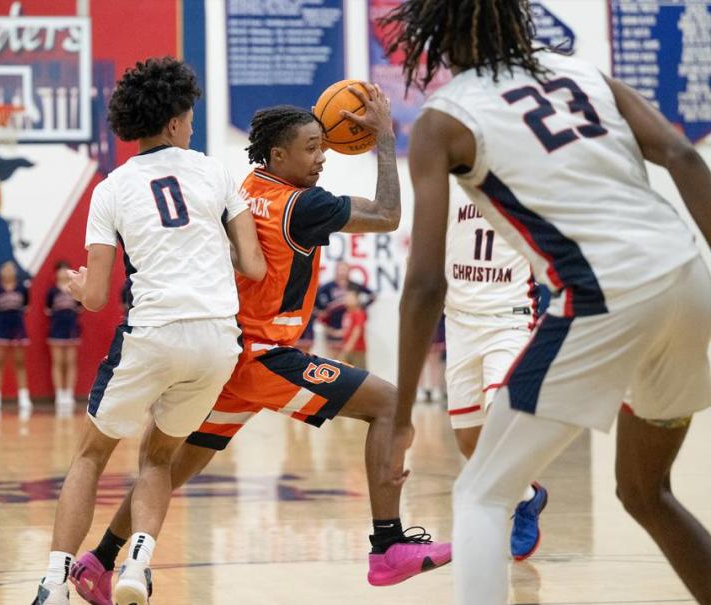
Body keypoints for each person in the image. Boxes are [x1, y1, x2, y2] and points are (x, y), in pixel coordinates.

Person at [383, 1, 711, 604]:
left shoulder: (445, 118)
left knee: (481, 493)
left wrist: (401, 415)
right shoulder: (585, 74)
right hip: (688, 280)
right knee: (646, 493)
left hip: (602, 297)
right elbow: (685, 157)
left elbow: (425, 284)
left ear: (441, 34)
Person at [69, 97, 451, 605]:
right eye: (311, 148)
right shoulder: (304, 206)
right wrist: (385, 137)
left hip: (228, 356)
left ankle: (99, 560)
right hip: (263, 357)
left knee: (171, 469)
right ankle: (387, 546)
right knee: (387, 404)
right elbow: (387, 214)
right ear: (276, 153)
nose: (322, 158)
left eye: (323, 147)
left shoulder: (251, 187)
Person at [32, 56, 266, 605]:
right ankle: (137, 564)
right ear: (172, 123)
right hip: (216, 339)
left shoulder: (111, 188)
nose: (192, 124)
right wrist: (213, 248)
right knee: (158, 457)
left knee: (91, 455)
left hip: (154, 331)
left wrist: (77, 285)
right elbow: (253, 267)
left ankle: (53, 583)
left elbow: (94, 298)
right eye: (188, 116)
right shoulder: (215, 171)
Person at [442, 196, 548, 561]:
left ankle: (500, 507)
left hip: (509, 317)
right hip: (459, 321)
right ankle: (529, 497)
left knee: (501, 417)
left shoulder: (524, 176)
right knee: (469, 442)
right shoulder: (444, 173)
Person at [0, 260, 32, 420]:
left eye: (11, 268)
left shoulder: (22, 289)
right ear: (1, 272)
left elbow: (26, 306)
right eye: (5, 267)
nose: (8, 270)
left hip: (18, 329)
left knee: (20, 362)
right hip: (1, 328)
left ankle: (24, 397)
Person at [316, 261, 376, 358]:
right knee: (334, 359)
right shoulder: (328, 286)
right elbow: (315, 298)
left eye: (344, 269)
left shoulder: (354, 285)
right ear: (335, 271)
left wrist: (361, 307)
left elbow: (372, 295)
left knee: (348, 359)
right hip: (333, 327)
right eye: (340, 269)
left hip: (350, 328)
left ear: (349, 271)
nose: (342, 272)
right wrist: (321, 311)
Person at [46, 260, 82, 414]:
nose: (62, 272)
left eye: (65, 269)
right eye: (60, 270)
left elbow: (81, 308)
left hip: (72, 329)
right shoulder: (52, 292)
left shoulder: (75, 290)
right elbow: (47, 310)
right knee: (57, 362)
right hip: (56, 329)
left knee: (70, 361)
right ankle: (59, 394)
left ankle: (69, 393)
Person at [338, 291, 367, 369]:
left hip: (357, 348)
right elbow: (346, 330)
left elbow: (358, 329)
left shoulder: (358, 313)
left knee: (359, 371)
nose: (348, 300)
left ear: (357, 300)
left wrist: (350, 344)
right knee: (342, 369)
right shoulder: (346, 314)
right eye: (346, 298)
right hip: (346, 347)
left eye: (351, 298)